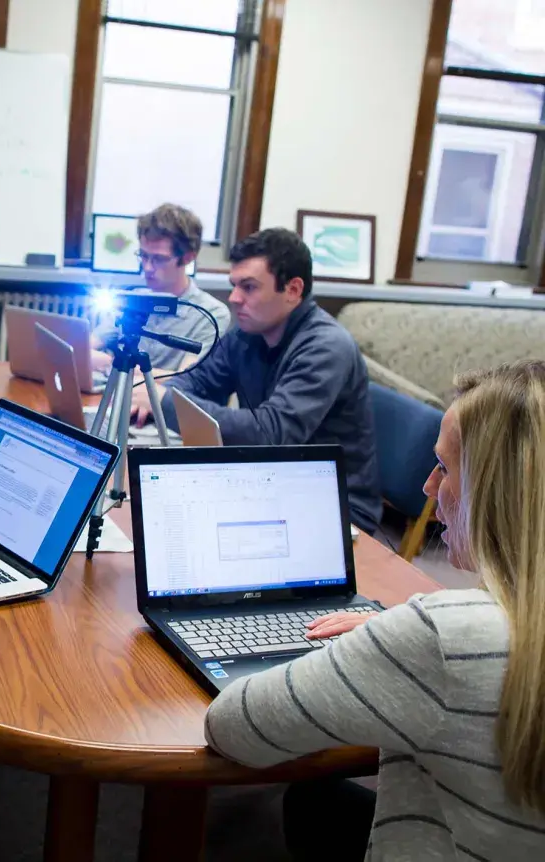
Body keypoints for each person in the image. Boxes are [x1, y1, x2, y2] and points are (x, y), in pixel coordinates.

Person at [205, 359, 545, 861]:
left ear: (495, 489)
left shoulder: (444, 638)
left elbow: (233, 727)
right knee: (319, 801)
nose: (429, 489)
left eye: (446, 468)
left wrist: (383, 649)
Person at [134, 227, 381, 533]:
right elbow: (196, 382)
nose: (234, 298)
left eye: (249, 287)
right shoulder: (246, 334)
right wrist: (166, 392)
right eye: (234, 285)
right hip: (269, 480)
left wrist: (162, 399)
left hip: (332, 502)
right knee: (154, 513)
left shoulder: (327, 346)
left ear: (292, 290)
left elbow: (270, 433)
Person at [91, 203, 231, 373]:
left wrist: (113, 364)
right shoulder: (135, 298)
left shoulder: (210, 314)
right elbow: (85, 348)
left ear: (187, 258)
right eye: (143, 256)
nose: (148, 267)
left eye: (159, 259)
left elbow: (186, 379)